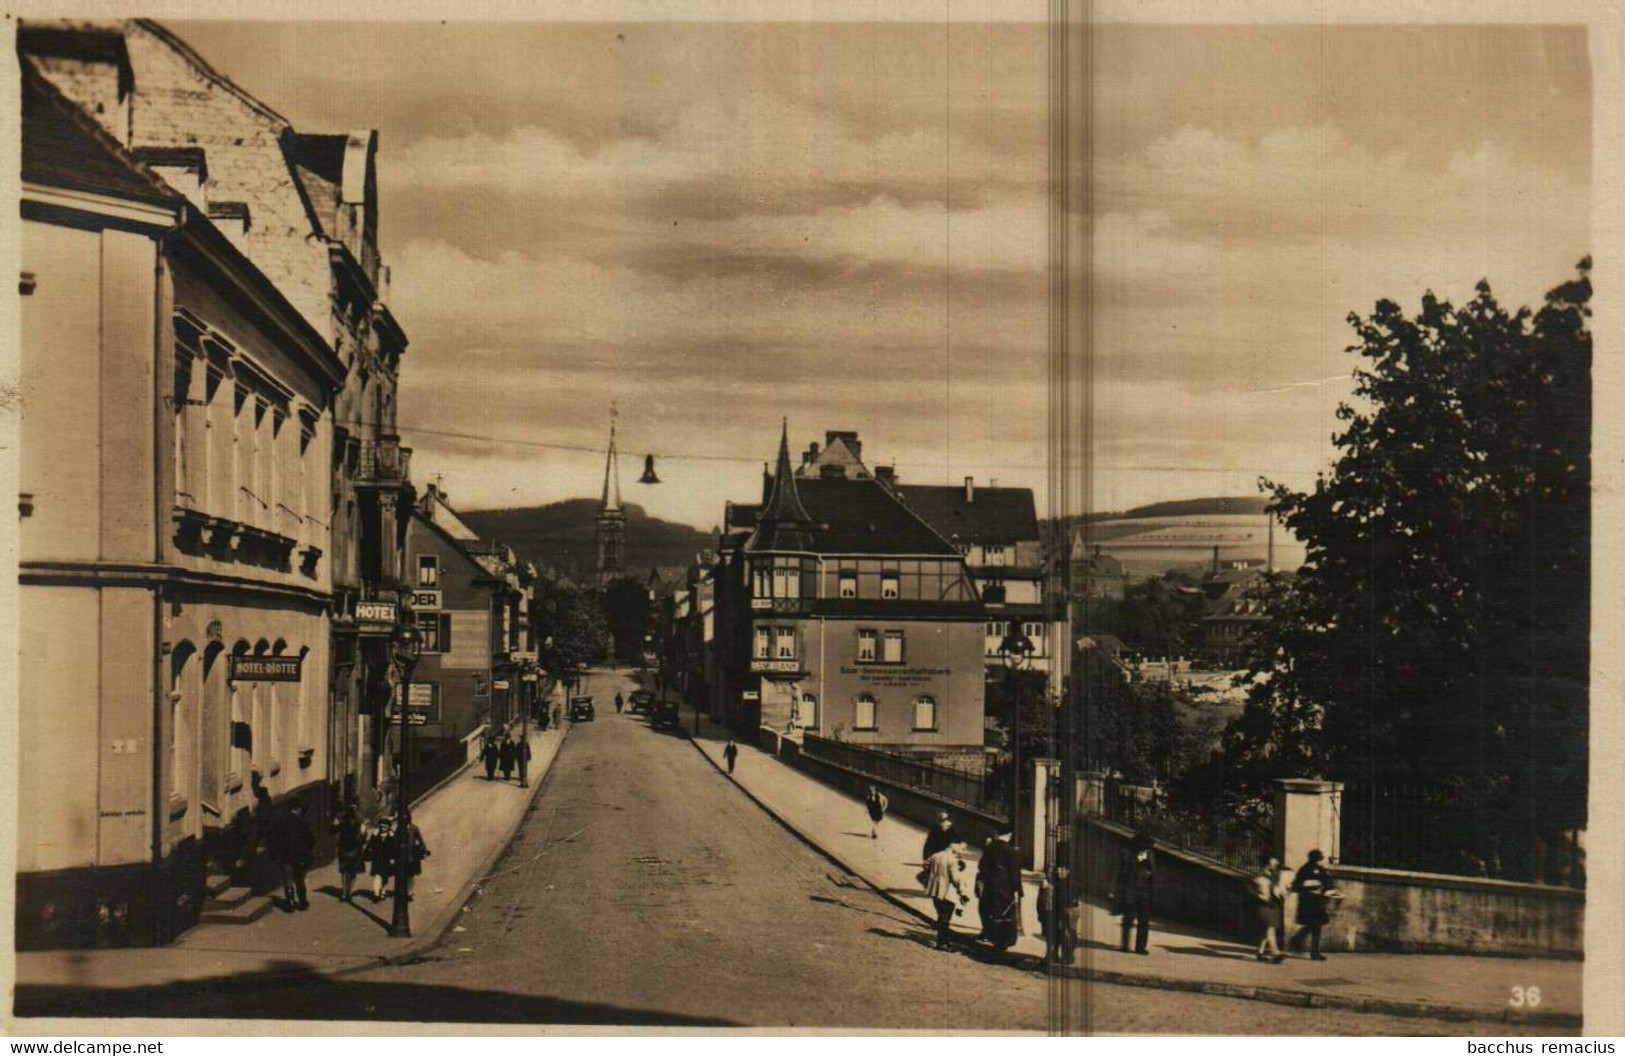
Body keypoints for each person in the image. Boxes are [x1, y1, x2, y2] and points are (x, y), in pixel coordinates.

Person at [976, 823, 1024, 959]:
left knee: (992, 912)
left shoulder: (989, 848)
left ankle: (992, 937)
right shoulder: (1012, 851)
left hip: (990, 886)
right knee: (1005, 914)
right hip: (1005, 888)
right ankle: (1003, 942)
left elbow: (982, 866)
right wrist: (1017, 890)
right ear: (1009, 835)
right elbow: (1014, 874)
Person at [270, 800, 315, 912]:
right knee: (300, 879)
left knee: (288, 879)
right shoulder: (304, 823)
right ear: (298, 809)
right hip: (300, 857)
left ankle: (290, 903)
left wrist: (277, 852)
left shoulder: (281, 822)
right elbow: (311, 840)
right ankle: (302, 902)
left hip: (286, 856)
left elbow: (275, 839)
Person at [1289, 849, 1335, 960]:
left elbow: (1328, 883)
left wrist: (1324, 889)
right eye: (1319, 859)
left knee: (1316, 926)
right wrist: (1308, 887)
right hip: (1309, 902)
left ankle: (1301, 941)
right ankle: (1313, 951)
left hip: (1317, 902)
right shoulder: (1305, 870)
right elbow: (1296, 886)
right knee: (1315, 926)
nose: (1320, 862)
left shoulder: (1319, 869)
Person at [922, 843, 970, 950]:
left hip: (935, 890)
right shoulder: (952, 860)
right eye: (959, 852)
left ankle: (941, 940)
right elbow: (956, 879)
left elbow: (925, 865)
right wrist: (963, 893)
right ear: (954, 850)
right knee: (945, 918)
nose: (960, 854)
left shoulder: (936, 855)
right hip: (946, 892)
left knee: (940, 915)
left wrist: (933, 875)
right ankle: (942, 943)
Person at [1115, 832, 1155, 955]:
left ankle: (1140, 947)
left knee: (1144, 920)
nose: (1146, 847)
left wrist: (1148, 873)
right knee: (1129, 918)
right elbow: (1123, 873)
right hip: (1131, 890)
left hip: (1144, 891)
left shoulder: (1149, 855)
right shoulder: (1128, 854)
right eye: (1144, 845)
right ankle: (1125, 945)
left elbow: (1153, 871)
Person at [1038, 861, 1079, 964]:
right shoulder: (1056, 882)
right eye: (1058, 870)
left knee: (1068, 934)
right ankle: (1054, 955)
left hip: (1069, 910)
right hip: (1059, 911)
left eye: (1062, 870)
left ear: (1068, 871)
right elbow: (1041, 900)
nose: (1059, 872)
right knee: (1057, 934)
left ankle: (1068, 957)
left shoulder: (1070, 882)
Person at [1251, 853, 1287, 963]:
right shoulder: (1258, 876)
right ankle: (1276, 952)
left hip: (1271, 905)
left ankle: (1259, 953)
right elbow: (1250, 890)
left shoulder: (1274, 876)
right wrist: (1259, 896)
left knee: (1266, 930)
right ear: (1267, 865)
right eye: (1273, 864)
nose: (1276, 865)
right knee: (1269, 928)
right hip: (1261, 905)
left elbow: (1276, 890)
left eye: (1276, 864)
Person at [331, 801, 366, 904]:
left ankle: (348, 892)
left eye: (354, 806)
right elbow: (332, 831)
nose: (353, 809)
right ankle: (344, 892)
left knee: (352, 871)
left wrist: (363, 834)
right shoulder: (341, 817)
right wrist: (335, 825)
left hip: (354, 847)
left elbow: (363, 836)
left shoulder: (360, 818)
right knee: (344, 870)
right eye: (351, 806)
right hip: (344, 846)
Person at [398, 814, 431, 902]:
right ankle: (403, 891)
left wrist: (425, 851)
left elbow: (420, 840)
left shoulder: (414, 828)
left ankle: (410, 892)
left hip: (412, 855)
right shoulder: (399, 828)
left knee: (411, 875)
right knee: (403, 874)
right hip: (402, 855)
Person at [366, 816, 396, 901]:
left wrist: (393, 858)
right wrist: (367, 855)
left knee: (385, 877)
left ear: (388, 827)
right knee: (377, 876)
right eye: (382, 826)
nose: (383, 828)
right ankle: (376, 894)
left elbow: (394, 848)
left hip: (387, 859)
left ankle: (383, 891)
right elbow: (370, 845)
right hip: (377, 858)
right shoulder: (375, 834)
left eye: (385, 827)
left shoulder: (391, 836)